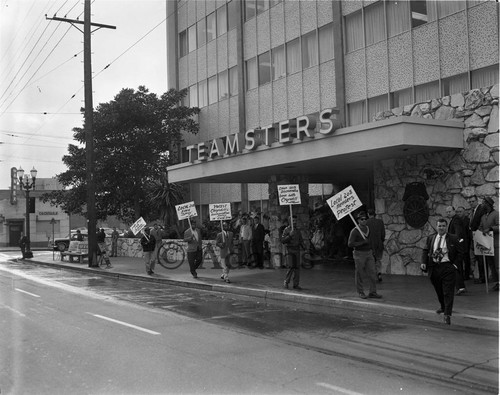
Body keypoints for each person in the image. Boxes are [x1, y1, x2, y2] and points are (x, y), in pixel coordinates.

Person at [421, 218, 464, 325]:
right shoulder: (431, 238)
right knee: (439, 290)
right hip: (434, 268)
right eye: (439, 226)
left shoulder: (453, 238)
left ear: (446, 227)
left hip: (448, 268)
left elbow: (460, 253)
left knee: (448, 292)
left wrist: (454, 265)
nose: (441, 228)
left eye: (443, 226)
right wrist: (423, 262)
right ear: (437, 227)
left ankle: (447, 315)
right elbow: (425, 250)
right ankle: (443, 307)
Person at [348, 212, 382, 299]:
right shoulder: (354, 231)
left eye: (365, 219)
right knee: (360, 273)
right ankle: (360, 292)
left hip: (369, 252)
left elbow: (371, 240)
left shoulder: (368, 228)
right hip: (359, 253)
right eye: (361, 219)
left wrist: (372, 249)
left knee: (372, 272)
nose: (364, 220)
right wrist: (362, 242)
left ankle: (373, 292)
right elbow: (350, 244)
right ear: (358, 220)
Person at [478, 197, 499, 291]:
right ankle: (496, 282)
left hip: (496, 244)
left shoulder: (496, 214)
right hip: (487, 245)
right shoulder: (483, 217)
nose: (482, 205)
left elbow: (499, 226)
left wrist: (490, 229)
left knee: (497, 264)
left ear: (488, 204)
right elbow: (481, 226)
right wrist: (479, 230)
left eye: (483, 203)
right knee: (491, 264)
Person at [445, 206, 467, 295]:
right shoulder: (454, 219)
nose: (448, 213)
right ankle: (461, 286)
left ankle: (460, 287)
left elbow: (457, 233)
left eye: (450, 211)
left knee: (456, 266)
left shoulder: (456, 220)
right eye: (447, 212)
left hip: (456, 247)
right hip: (458, 246)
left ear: (454, 211)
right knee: (457, 266)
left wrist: (453, 243)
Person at [281, 216, 305, 290]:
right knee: (291, 267)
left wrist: (305, 248)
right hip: (290, 250)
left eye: (295, 220)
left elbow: (300, 240)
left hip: (297, 250)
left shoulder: (297, 230)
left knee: (297, 268)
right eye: (293, 220)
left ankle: (296, 284)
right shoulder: (286, 230)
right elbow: (283, 240)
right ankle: (286, 281)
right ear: (289, 221)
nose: (294, 222)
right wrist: (289, 236)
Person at [467, 195, 487, 283]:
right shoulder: (473, 211)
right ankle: (480, 276)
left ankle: (483, 277)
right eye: (470, 202)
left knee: (481, 258)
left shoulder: (481, 209)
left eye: (473, 201)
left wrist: (478, 231)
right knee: (477, 257)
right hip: (474, 236)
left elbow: (481, 222)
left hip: (479, 236)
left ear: (477, 201)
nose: (471, 203)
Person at [366, 208, 385, 282]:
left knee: (371, 260)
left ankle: (373, 274)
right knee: (378, 259)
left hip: (370, 245)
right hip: (379, 244)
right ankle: (379, 272)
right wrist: (381, 240)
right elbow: (383, 234)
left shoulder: (366, 223)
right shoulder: (380, 222)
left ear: (368, 214)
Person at [456, 206, 472, 280]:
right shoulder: (457, 221)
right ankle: (461, 274)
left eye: (460, 211)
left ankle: (467, 275)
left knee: (466, 260)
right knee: (460, 260)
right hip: (459, 243)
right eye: (458, 212)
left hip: (466, 243)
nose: (459, 213)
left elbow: (468, 233)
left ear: (464, 212)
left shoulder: (467, 221)